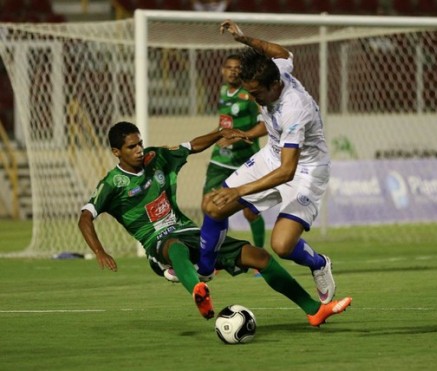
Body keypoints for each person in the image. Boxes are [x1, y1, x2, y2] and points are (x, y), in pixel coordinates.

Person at [78, 122, 352, 327]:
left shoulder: (155, 157)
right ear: (116, 152)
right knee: (173, 246)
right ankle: (198, 288)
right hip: (157, 243)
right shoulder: (112, 183)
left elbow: (191, 145)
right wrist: (100, 250)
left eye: (139, 143)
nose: (138, 150)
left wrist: (219, 133)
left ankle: (314, 310)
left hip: (190, 232)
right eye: (131, 147)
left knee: (259, 257)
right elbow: (85, 216)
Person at [197, 19, 337, 305]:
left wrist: (239, 191)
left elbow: (287, 170)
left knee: (282, 246)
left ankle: (319, 263)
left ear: (275, 86)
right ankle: (206, 268)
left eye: (257, 93)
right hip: (273, 155)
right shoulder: (277, 70)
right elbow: (281, 52)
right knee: (212, 205)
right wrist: (244, 39)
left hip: (305, 170)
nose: (253, 97)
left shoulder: (294, 108)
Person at [204, 54, 267, 250]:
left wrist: (242, 135)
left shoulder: (251, 93)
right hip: (220, 160)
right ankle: (214, 257)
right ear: (222, 70)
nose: (233, 71)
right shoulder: (223, 90)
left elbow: (265, 126)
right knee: (209, 206)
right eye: (229, 67)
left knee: (250, 212)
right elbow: (225, 123)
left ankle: (259, 254)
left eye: (237, 67)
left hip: (246, 160)